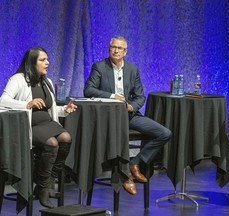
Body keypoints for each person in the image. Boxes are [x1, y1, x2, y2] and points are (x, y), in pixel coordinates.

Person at [84, 36, 172, 195]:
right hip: (108, 117)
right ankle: (124, 176)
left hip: (129, 114)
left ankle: (135, 163)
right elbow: (88, 90)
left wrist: (131, 106)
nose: (116, 50)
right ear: (108, 49)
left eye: (119, 48)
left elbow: (140, 96)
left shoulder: (132, 69)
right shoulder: (99, 67)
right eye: (113, 47)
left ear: (125, 52)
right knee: (120, 136)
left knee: (164, 133)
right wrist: (112, 96)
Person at [0, 47, 77, 208]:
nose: (47, 63)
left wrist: (65, 110)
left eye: (47, 59)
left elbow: (50, 108)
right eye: (43, 60)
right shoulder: (18, 79)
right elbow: (3, 101)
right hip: (29, 125)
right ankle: (42, 188)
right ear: (32, 62)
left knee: (66, 138)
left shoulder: (46, 82)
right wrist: (26, 104)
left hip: (48, 123)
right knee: (52, 143)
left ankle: (46, 182)